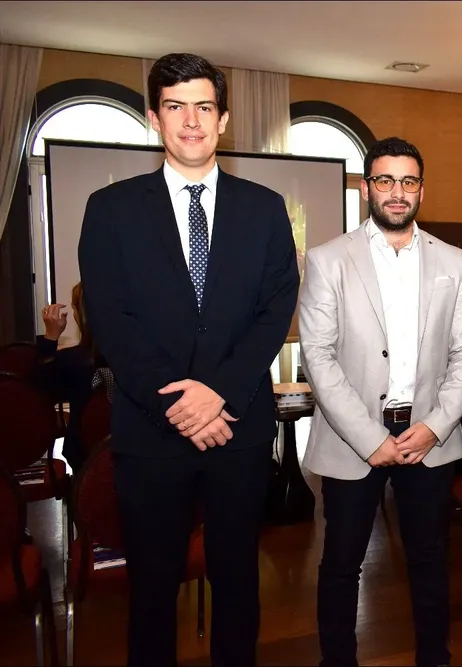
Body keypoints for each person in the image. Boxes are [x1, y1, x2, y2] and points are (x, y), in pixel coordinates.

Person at [78, 53, 300, 666]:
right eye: (176, 107)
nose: (192, 121)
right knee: (151, 590)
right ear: (155, 118)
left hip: (238, 428)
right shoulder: (111, 208)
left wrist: (218, 393)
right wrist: (180, 404)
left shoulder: (264, 207)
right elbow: (111, 320)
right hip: (151, 431)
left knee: (239, 582)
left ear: (223, 119)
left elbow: (275, 309)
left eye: (204, 107)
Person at [298, 137, 462, 667]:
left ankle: (435, 658)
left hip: (429, 436)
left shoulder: (452, 260)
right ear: (366, 189)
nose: (397, 192)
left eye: (408, 181)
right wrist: (370, 438)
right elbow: (318, 357)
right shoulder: (329, 260)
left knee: (430, 559)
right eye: (385, 180)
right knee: (342, 564)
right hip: (353, 439)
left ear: (422, 189)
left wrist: (437, 425)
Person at [34, 282, 113, 471]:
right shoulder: (141, 360)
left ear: (81, 315)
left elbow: (38, 394)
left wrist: (50, 337)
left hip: (83, 460)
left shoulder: (70, 362)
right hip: (136, 458)